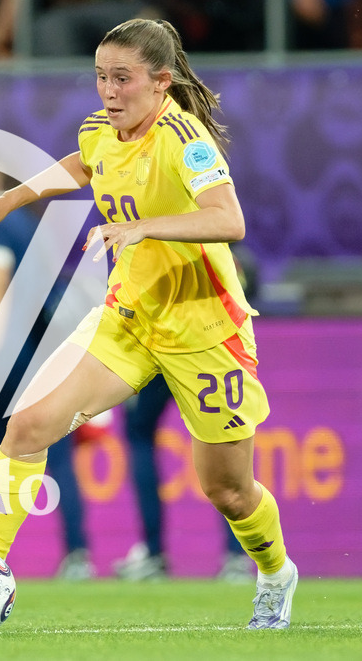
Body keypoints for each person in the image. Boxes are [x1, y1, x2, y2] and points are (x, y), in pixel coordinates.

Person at [0, 18, 298, 629]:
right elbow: (82, 163)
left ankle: (275, 572)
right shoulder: (101, 130)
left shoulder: (186, 141)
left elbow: (228, 220)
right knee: (28, 425)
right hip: (130, 318)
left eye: (123, 79)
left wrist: (143, 227)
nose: (108, 91)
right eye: (100, 77)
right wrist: (6, 200)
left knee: (228, 490)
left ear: (161, 82)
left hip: (205, 330)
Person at [0, 140, 95, 580]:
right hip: (46, 355)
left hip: (11, 358)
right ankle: (78, 554)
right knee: (55, 452)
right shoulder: (24, 222)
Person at [115, 244, 260, 583]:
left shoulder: (155, 234)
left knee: (139, 434)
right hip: (211, 356)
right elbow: (249, 292)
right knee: (228, 440)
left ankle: (153, 553)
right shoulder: (228, 248)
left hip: (161, 351)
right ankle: (237, 556)